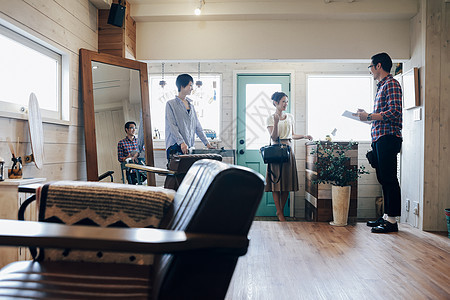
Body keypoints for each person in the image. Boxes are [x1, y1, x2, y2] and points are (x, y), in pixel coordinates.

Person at [356, 52, 403, 233]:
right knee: (383, 179)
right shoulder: (382, 86)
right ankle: (386, 217)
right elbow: (382, 116)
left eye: (371, 66)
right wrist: (366, 116)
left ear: (378, 66)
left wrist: (368, 115)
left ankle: (392, 221)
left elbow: (394, 113)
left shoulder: (391, 84)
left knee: (389, 178)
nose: (370, 70)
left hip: (388, 138)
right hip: (379, 138)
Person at [266, 92, 313, 221]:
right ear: (275, 103)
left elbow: (291, 135)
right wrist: (275, 123)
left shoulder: (290, 117)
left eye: (286, 101)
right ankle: (280, 213)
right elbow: (274, 137)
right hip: (275, 151)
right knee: (276, 183)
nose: (285, 104)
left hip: (288, 150)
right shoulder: (270, 118)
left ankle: (280, 211)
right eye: (283, 101)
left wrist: (304, 136)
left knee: (286, 182)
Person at [165, 73, 214, 160]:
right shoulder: (170, 104)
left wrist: (207, 143)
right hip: (175, 147)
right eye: (190, 85)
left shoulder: (191, 105)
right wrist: (181, 142)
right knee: (178, 173)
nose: (192, 88)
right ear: (182, 86)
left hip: (189, 147)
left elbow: (197, 126)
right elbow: (172, 126)